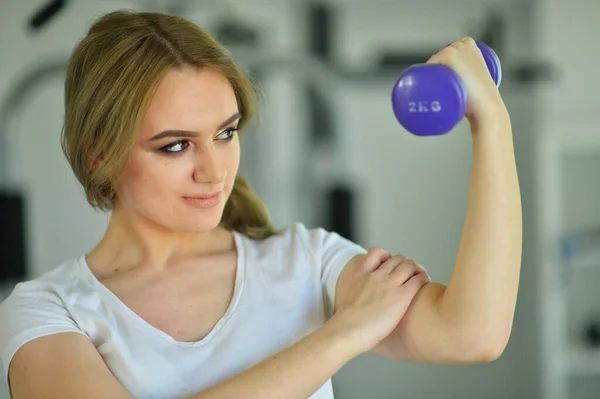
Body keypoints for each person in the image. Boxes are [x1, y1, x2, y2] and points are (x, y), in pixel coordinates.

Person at [0, 9, 522, 399]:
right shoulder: (45, 312)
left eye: (225, 133)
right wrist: (345, 334)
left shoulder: (307, 260)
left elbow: (471, 334)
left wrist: (491, 123)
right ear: (100, 157)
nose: (214, 170)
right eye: (175, 145)